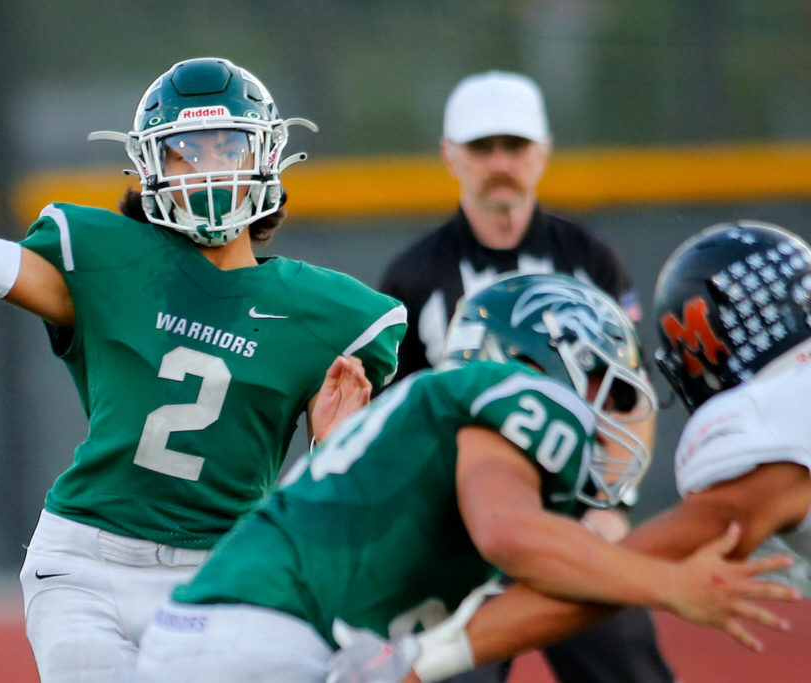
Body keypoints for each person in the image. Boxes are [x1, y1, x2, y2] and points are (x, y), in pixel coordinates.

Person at [0, 56, 407, 681]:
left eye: (227, 147)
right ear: (148, 167)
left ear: (267, 155)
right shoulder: (104, 257)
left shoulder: (333, 316)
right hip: (86, 565)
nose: (208, 170)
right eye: (184, 153)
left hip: (224, 570)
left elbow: (355, 497)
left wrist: (334, 447)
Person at [135, 273, 793, 683]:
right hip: (270, 641)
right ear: (557, 361)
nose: (613, 417)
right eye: (610, 391)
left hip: (204, 636)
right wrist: (668, 583)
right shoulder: (513, 391)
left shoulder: (435, 413)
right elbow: (509, 534)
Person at [329, 220, 811, 681]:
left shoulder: (771, 423)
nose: (606, 419)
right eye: (598, 389)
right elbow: (530, 548)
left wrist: (425, 659)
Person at [378, 69, 666, 682]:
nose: (500, 163)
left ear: (543, 152)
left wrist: (614, 505)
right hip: (458, 533)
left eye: (515, 146)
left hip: (573, 519)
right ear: (450, 156)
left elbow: (627, 396)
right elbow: (396, 418)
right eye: (483, 148)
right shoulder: (413, 277)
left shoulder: (589, 260)